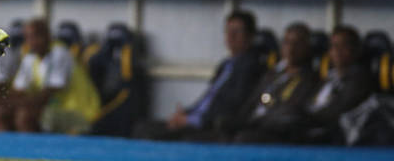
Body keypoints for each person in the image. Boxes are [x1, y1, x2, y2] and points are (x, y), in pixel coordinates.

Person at [133, 10, 266, 142]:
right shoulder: (226, 65)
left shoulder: (250, 67)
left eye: (237, 31)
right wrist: (185, 114)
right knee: (142, 127)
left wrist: (190, 120)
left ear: (250, 36)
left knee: (149, 133)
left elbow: (231, 106)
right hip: (196, 119)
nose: (231, 36)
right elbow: (207, 100)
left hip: (209, 125)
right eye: (228, 31)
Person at [229, 22, 320, 143]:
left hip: (275, 131)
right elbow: (252, 101)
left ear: (307, 47)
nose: (291, 48)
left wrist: (255, 123)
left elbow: (290, 110)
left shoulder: (310, 78)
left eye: (297, 44)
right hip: (251, 125)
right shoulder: (272, 74)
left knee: (243, 139)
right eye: (287, 42)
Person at [7, 18, 100, 134]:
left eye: (35, 37)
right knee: (2, 112)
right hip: (57, 110)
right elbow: (18, 90)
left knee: (28, 115)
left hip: (81, 113)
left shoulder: (60, 53)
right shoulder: (30, 58)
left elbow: (47, 95)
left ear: (47, 37)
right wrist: (2, 101)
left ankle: (34, 146)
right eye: (28, 38)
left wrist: (12, 102)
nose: (31, 42)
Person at [294, 24, 373, 144]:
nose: (337, 51)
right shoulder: (327, 77)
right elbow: (309, 102)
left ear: (356, 50)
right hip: (307, 124)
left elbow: (339, 109)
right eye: (334, 46)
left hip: (331, 132)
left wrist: (304, 118)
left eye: (343, 46)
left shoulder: (360, 79)